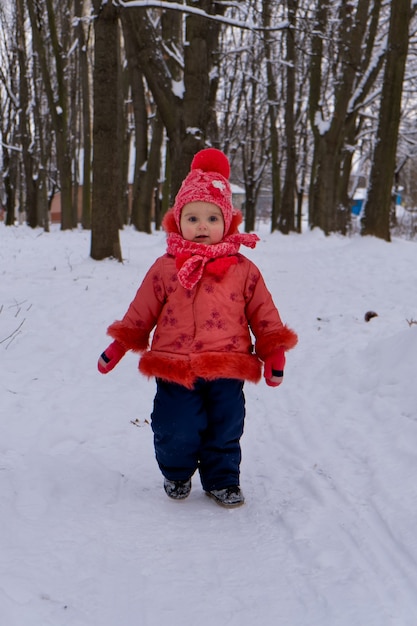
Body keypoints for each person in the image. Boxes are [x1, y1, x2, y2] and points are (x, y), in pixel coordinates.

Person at [98, 148, 297, 508]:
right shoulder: (166, 267)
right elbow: (141, 311)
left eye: (210, 218)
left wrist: (274, 351)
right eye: (192, 218)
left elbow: (263, 313)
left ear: (227, 222)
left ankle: (222, 479)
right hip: (176, 364)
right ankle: (176, 470)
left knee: (225, 426)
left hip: (227, 363)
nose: (201, 226)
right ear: (177, 221)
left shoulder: (243, 269)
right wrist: (119, 345)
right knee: (176, 425)